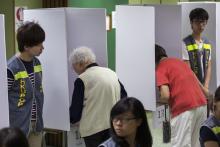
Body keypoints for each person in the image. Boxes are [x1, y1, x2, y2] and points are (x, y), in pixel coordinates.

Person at [69, 46, 127, 147]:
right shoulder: (111, 73)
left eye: (74, 67)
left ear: (81, 63)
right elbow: (124, 97)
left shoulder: (82, 79)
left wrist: (70, 120)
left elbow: (75, 110)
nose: (74, 70)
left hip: (93, 130)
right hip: (113, 126)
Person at [155, 44, 207, 147]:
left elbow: (165, 96)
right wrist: (206, 92)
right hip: (201, 104)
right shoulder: (179, 62)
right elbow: (195, 79)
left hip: (184, 109)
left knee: (180, 144)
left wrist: (155, 102)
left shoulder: (160, 68)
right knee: (196, 144)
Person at [7, 21, 45, 147]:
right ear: (26, 46)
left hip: (36, 124)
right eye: (39, 44)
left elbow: (38, 91)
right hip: (17, 128)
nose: (42, 47)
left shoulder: (37, 63)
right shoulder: (11, 68)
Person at [182, 8, 211, 92]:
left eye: (203, 21)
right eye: (197, 21)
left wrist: (206, 86)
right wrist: (202, 89)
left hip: (204, 87)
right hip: (191, 87)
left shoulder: (207, 42)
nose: (201, 24)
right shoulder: (185, 43)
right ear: (191, 22)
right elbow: (188, 70)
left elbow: (209, 66)